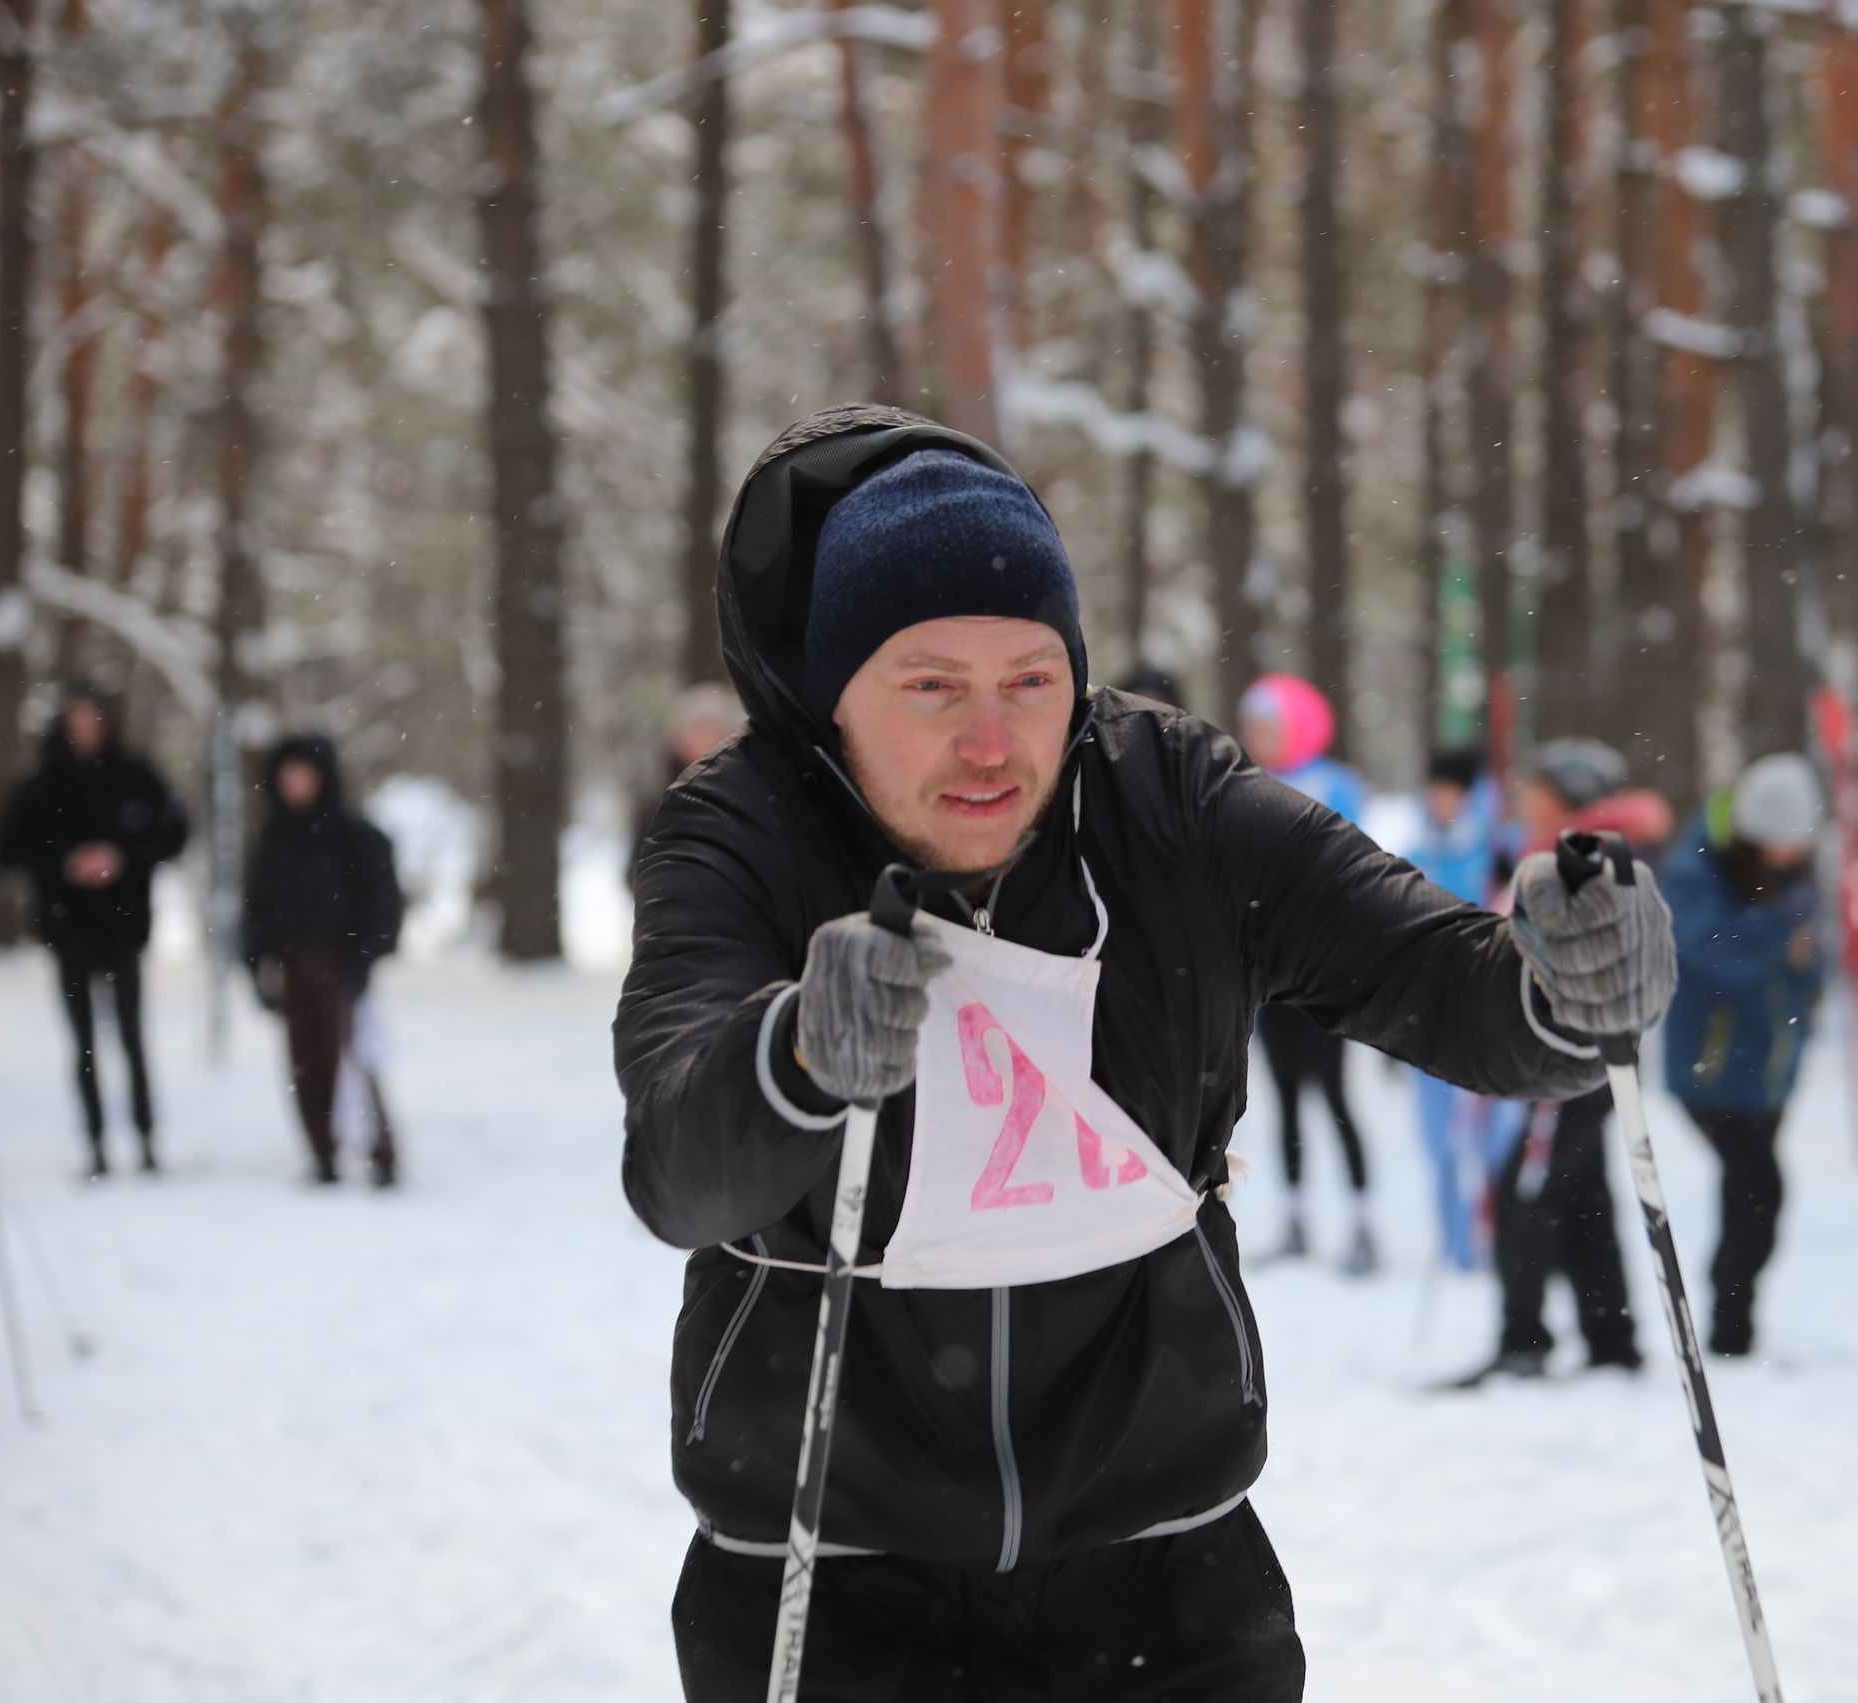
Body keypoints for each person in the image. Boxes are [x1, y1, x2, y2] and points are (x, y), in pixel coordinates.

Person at [616, 406, 1674, 1702]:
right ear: (835, 697)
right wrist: (794, 1059)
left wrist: (1570, 986)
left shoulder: (1167, 798)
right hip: (828, 1575)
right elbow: (676, 1160)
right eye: (932, 684)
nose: (993, 741)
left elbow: (1435, 976)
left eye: (1030, 679)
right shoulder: (742, 830)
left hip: (1161, 1576)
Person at [1454, 737, 1677, 1384]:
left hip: (1575, 1050)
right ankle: (1611, 1335)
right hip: (1591, 1052)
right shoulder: (1588, 849)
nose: (1525, 801)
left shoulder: (1587, 854)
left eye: (1537, 791)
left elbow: (1535, 940)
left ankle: (1525, 1337)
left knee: (1526, 1188)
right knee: (1581, 1192)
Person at [1658, 754, 1830, 1358]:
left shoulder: (1791, 875)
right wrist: (1783, 933)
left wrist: (1810, 958)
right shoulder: (1695, 866)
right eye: (1778, 845)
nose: (1788, 856)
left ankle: (1735, 1323)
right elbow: (1712, 955)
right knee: (1760, 1187)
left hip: (1770, 1066)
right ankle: (1731, 1320)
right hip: (1710, 1068)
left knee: (1748, 1192)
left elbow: (1809, 960)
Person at [0, 683, 189, 1177]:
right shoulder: (41, 783)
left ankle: (145, 1138)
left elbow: (174, 831)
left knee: (131, 1036)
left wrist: (122, 857)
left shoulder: (134, 775)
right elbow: (9, 850)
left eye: (92, 721)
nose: (84, 732)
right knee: (82, 1042)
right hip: (68, 928)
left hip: (123, 927)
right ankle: (96, 1142)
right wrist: (65, 864)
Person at [1236, 672, 1377, 1275]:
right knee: (1285, 1098)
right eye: (1250, 726)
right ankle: (1295, 1218)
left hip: (1324, 975)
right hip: (1271, 979)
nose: (1254, 736)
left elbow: (1353, 870)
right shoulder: (1242, 782)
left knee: (1338, 1099)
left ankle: (1364, 1225)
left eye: (1265, 724)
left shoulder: (1335, 783)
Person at [242, 735, 407, 1187]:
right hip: (292, 965)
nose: (296, 784)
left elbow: (383, 902)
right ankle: (322, 1151)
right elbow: (256, 907)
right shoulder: (272, 840)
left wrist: (364, 959)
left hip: (342, 962)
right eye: (288, 775)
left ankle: (380, 1149)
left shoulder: (354, 835)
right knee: (304, 1064)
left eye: (304, 774)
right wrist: (255, 962)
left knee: (355, 1058)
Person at [1408, 747, 1500, 1271]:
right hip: (1430, 1016)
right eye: (1434, 788)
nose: (1439, 799)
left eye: (1451, 790)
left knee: (1496, 1138)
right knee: (1440, 1141)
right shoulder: (1418, 850)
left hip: (1490, 1014)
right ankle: (1457, 1244)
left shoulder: (1497, 847)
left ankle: (1499, 1235)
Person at [633, 683, 745, 887]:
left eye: (714, 728)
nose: (707, 739)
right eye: (698, 729)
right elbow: (634, 872)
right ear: (679, 739)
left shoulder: (750, 799)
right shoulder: (657, 805)